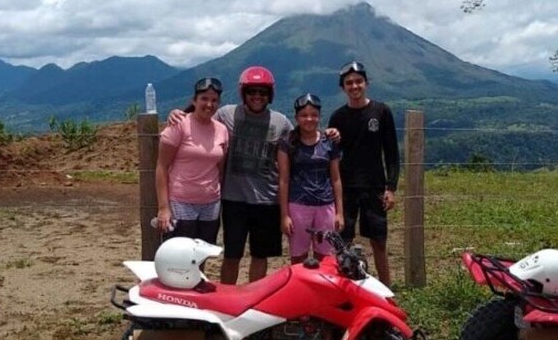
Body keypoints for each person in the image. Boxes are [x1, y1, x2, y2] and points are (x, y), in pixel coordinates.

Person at [168, 66, 292, 284]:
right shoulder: (226, 114)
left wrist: (330, 135)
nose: (257, 96)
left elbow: (302, 141)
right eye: (252, 91)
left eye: (262, 92)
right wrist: (179, 113)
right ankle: (227, 297)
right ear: (243, 92)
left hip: (267, 199)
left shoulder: (281, 122)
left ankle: (252, 299)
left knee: (260, 255)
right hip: (234, 199)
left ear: (269, 95)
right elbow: (201, 116)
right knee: (232, 254)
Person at [328, 61, 400, 285]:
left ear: (367, 83)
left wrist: (391, 187)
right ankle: (343, 287)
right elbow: (332, 155)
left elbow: (391, 153)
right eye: (349, 83)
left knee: (379, 241)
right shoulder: (338, 117)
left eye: (358, 81)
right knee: (343, 242)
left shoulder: (381, 112)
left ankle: (387, 290)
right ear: (343, 88)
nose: (354, 86)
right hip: (347, 188)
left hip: (374, 186)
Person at [155, 77, 229, 244]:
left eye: (214, 100)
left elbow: (219, 168)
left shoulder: (221, 130)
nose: (209, 104)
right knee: (179, 257)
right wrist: (163, 208)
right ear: (194, 100)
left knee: (201, 255)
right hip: (181, 202)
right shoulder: (179, 124)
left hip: (211, 204)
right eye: (204, 99)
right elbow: (162, 167)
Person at [277, 94, 343, 264]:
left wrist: (339, 212)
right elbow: (283, 180)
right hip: (298, 206)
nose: (309, 119)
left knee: (326, 257)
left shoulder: (329, 142)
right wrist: (284, 215)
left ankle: (322, 290)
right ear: (296, 117)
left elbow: (336, 178)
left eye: (314, 115)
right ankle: (301, 291)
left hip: (326, 205)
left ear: (320, 116)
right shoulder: (287, 143)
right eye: (304, 115)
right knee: (298, 257)